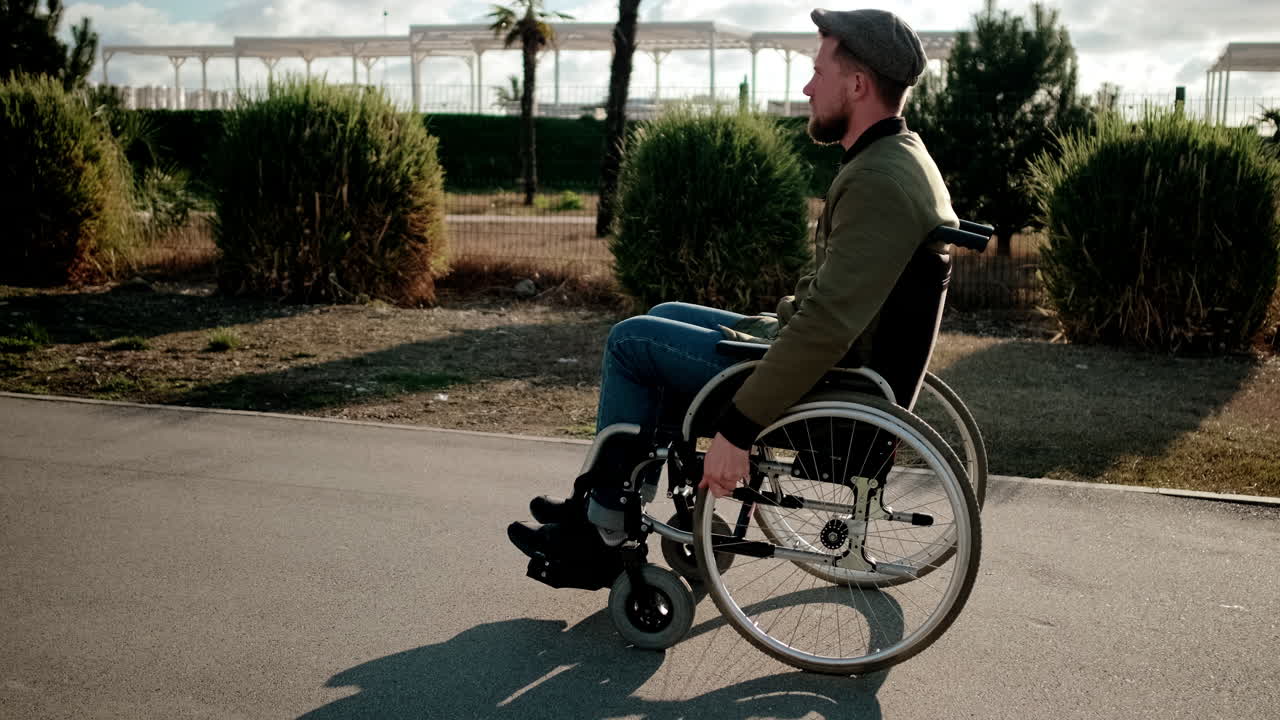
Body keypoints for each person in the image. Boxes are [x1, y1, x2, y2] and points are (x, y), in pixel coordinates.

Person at [507, 7, 959, 585]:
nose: (807, 85)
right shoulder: (900, 156)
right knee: (664, 316)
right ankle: (605, 498)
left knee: (631, 342)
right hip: (833, 363)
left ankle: (600, 526)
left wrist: (739, 429)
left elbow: (825, 325)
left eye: (819, 71)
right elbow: (832, 305)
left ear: (858, 83)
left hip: (828, 381)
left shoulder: (878, 180)